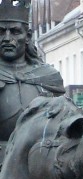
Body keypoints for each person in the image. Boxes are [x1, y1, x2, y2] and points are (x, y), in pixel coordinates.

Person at [0, 2, 65, 163]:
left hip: (38, 162)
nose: (7, 38)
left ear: (27, 36)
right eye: (1, 32)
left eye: (15, 32)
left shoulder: (48, 77)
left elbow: (61, 127)